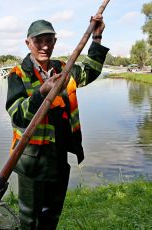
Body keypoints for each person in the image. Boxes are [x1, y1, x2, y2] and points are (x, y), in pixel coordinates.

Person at [6, 15, 109, 230]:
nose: (44, 46)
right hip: (31, 159)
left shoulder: (63, 68)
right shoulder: (17, 74)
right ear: (28, 43)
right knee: (29, 219)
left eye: (49, 40)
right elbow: (17, 114)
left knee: (52, 214)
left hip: (59, 156)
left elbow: (90, 71)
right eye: (39, 41)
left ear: (55, 42)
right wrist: (40, 93)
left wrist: (96, 37)